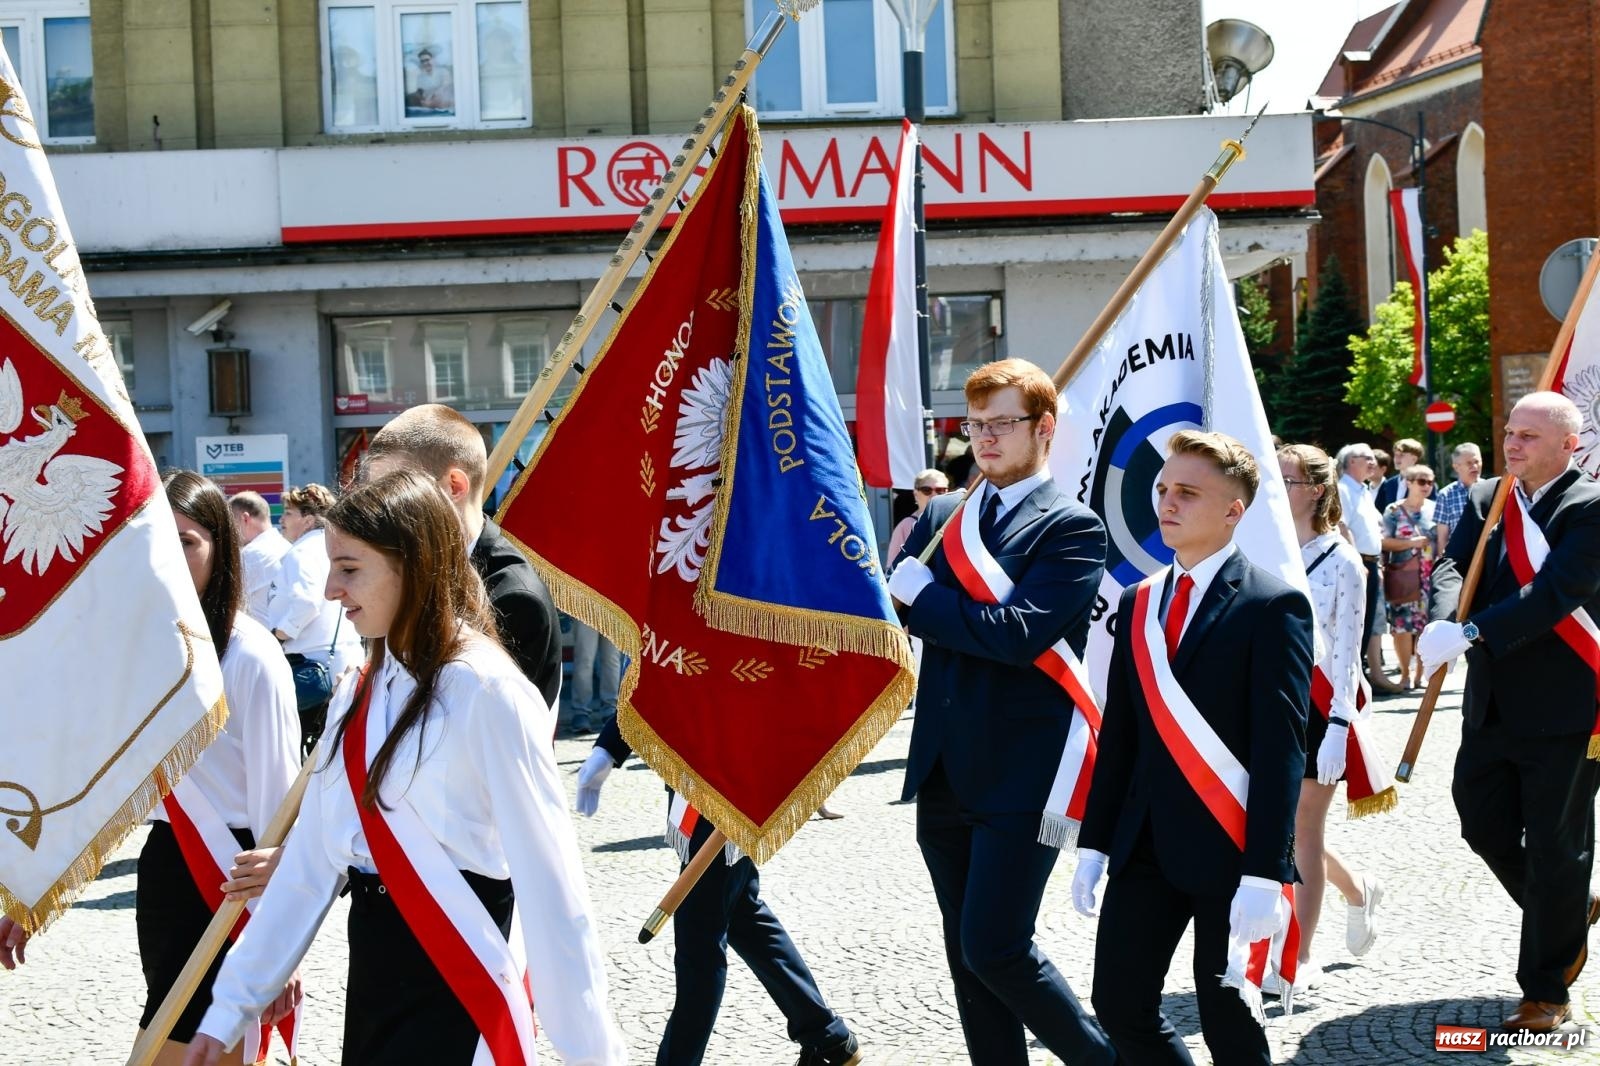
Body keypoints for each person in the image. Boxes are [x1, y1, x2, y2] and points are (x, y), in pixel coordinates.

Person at [182, 470, 625, 1065]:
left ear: (413, 563)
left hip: (458, 968)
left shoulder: (488, 691)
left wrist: (592, 1054)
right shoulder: (359, 689)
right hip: (375, 967)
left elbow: (552, 886)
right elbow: (312, 861)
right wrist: (230, 1007)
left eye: (350, 568)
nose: (331, 591)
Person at [3, 470, 302, 1066]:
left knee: (199, 1047)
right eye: (157, 539)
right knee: (174, 1029)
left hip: (233, 875)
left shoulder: (251, 657)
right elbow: (98, 785)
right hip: (168, 868)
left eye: (188, 541)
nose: (171, 553)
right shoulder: (135, 654)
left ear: (222, 549)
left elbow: (281, 809)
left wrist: (281, 942)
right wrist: (29, 896)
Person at [886, 358, 1116, 1066]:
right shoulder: (945, 515)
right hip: (944, 765)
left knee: (998, 947)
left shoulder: (1073, 529)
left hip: (1025, 773)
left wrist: (925, 601)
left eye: (1002, 424)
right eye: (974, 425)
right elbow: (909, 616)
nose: (983, 438)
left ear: (1044, 429)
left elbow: (1016, 636)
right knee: (968, 960)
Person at [1073, 430, 1313, 1065]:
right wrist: (1095, 842)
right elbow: (1121, 731)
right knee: (1119, 1005)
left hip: (1230, 850)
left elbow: (1281, 748)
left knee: (1230, 1026)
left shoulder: (1273, 604)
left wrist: (1268, 869)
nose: (1166, 503)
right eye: (1161, 489)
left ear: (1233, 510)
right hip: (1145, 844)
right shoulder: (1139, 601)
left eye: (1186, 492)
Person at [1420, 392, 1600, 1035]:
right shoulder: (1487, 496)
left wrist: (1473, 635)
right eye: (1510, 431)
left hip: (1568, 705)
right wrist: (1444, 622)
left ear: (1567, 445)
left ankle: (1547, 987)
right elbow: (1453, 564)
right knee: (1482, 822)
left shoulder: (1589, 507)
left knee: (1557, 844)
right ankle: (1566, 911)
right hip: (1492, 701)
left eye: (1528, 435)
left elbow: (1556, 593)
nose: (1512, 444)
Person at [576, 721, 862, 1066]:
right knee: (745, 916)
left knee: (699, 941)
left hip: (733, 781)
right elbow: (662, 678)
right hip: (695, 776)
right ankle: (828, 1038)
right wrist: (610, 746)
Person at [365, 404, 563, 711]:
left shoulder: (512, 597)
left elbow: (476, 722)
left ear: (454, 486)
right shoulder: (415, 569)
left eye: (398, 492)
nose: (382, 511)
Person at [1278, 444, 1384, 991]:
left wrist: (1339, 726)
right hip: (1272, 701)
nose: (1277, 488)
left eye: (1288, 480)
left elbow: (1347, 650)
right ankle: (1358, 889)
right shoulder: (1265, 547)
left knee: (1303, 828)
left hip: (1322, 707)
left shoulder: (1343, 561)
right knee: (1284, 832)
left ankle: (1298, 957)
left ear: (1315, 490)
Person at [268, 484, 364, 753]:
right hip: (340, 660)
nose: (282, 520)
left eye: (288, 513)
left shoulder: (301, 553)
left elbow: (306, 601)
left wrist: (279, 634)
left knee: (303, 748)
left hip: (312, 667)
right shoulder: (333, 549)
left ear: (308, 519)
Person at [1335, 443, 1403, 694]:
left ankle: (1360, 680)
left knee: (1368, 623)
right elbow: (1342, 527)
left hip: (1371, 563)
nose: (1373, 461)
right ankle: (1351, 684)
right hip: (1359, 563)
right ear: (1351, 461)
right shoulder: (1343, 489)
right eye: (1367, 458)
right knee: (1356, 623)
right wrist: (1356, 561)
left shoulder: (1362, 490)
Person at [1381, 464, 1438, 688]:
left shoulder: (1435, 508)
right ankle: (1405, 673)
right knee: (1402, 627)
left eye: (1430, 482)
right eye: (1421, 481)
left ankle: (1420, 675)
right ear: (1408, 483)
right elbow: (1383, 541)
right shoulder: (1393, 511)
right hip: (1403, 576)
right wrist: (1410, 543)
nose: (1426, 486)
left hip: (1429, 577)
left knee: (1427, 627)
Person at [228, 491, 290, 626]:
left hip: (262, 637)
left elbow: (227, 599)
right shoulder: (286, 546)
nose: (229, 531)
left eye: (230, 523)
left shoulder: (252, 554)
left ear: (245, 519)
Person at [567, 617, 620, 735]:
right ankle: (580, 711)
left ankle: (610, 709)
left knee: (611, 659)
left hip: (614, 605)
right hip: (586, 604)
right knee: (584, 659)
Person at [886, 468, 949, 563]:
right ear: (916, 494)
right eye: (927, 490)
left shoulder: (955, 521)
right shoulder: (905, 526)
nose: (934, 495)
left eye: (940, 490)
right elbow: (892, 568)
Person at [1433, 441, 1484, 555]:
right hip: (1459, 558)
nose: (1474, 467)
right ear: (1456, 467)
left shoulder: (1492, 489)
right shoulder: (1446, 495)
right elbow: (1442, 538)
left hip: (1488, 556)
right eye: (1469, 463)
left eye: (1477, 461)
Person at [1375, 438, 1423, 511]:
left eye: (1401, 455)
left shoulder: (1425, 483)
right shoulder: (1388, 484)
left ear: (1414, 459)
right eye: (1395, 455)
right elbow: (1378, 511)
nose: (1397, 458)